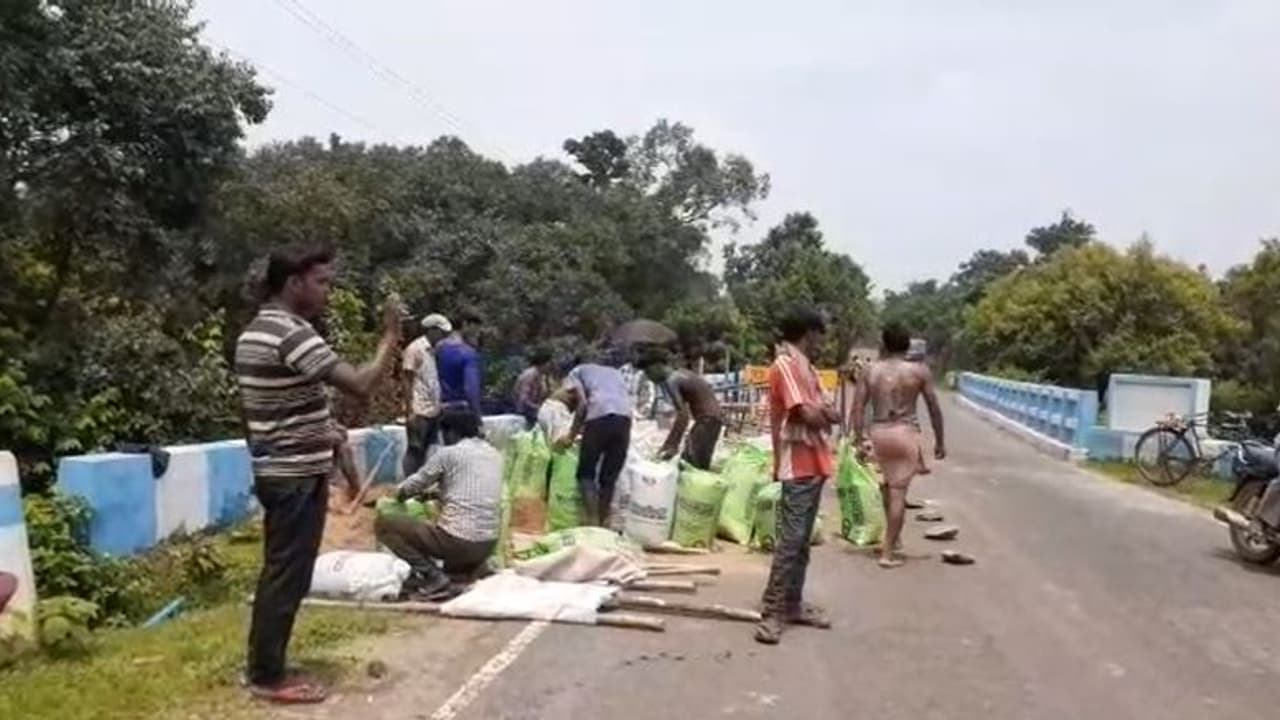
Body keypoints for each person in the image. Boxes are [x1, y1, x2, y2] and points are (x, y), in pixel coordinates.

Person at [235, 244, 400, 703]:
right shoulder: (291, 332)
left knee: (284, 570)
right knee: (287, 573)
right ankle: (267, 676)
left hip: (280, 469)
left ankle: (265, 664)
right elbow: (362, 385)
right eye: (322, 282)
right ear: (293, 283)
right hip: (293, 476)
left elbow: (255, 412)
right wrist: (390, 336)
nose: (328, 291)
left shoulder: (255, 331)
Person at [755, 307, 838, 645]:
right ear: (809, 333)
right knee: (790, 540)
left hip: (815, 460)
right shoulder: (786, 366)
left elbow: (826, 412)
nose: (821, 342)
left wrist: (824, 414)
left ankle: (792, 603)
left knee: (801, 541)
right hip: (797, 462)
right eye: (819, 335)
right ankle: (772, 611)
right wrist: (824, 415)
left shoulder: (807, 368)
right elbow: (805, 412)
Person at [375, 408, 502, 599]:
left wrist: (396, 495)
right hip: (488, 544)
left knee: (385, 525)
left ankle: (432, 576)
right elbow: (466, 489)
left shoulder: (449, 454)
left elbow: (415, 483)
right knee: (455, 568)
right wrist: (433, 495)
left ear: (452, 433)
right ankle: (469, 571)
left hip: (459, 542)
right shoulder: (494, 454)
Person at [851, 322, 946, 569]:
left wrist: (858, 438)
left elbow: (858, 407)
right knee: (898, 494)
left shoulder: (870, 371)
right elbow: (933, 407)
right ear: (907, 345)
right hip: (905, 433)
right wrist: (940, 440)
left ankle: (895, 538)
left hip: (878, 432)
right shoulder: (918, 372)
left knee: (887, 487)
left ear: (883, 343)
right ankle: (888, 552)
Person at [560, 351, 632, 527]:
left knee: (586, 473)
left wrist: (571, 435)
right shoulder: (615, 373)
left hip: (599, 417)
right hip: (624, 420)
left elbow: (582, 405)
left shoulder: (577, 372)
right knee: (609, 476)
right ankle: (602, 522)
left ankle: (592, 522)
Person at [638, 355, 723, 469]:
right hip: (712, 419)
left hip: (707, 420)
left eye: (649, 372)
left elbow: (683, 415)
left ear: (658, 366)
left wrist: (671, 445)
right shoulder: (682, 374)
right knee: (699, 462)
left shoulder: (671, 380)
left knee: (689, 464)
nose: (649, 377)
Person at [401, 314, 451, 476]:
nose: (443, 337)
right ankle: (408, 485)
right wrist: (409, 411)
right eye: (441, 333)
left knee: (428, 450)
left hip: (433, 409)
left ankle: (419, 486)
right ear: (432, 330)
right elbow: (407, 380)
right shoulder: (415, 349)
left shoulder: (434, 351)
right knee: (415, 450)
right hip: (419, 408)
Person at [436, 312, 483, 415]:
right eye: (475, 329)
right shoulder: (468, 353)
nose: (477, 333)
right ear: (465, 325)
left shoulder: (438, 348)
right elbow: (471, 388)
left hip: (440, 408)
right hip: (461, 409)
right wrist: (477, 415)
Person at [513, 347, 555, 427]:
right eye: (550, 363)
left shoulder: (541, 376)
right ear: (544, 363)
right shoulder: (530, 375)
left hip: (533, 411)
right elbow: (523, 399)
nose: (551, 366)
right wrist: (538, 408)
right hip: (525, 413)